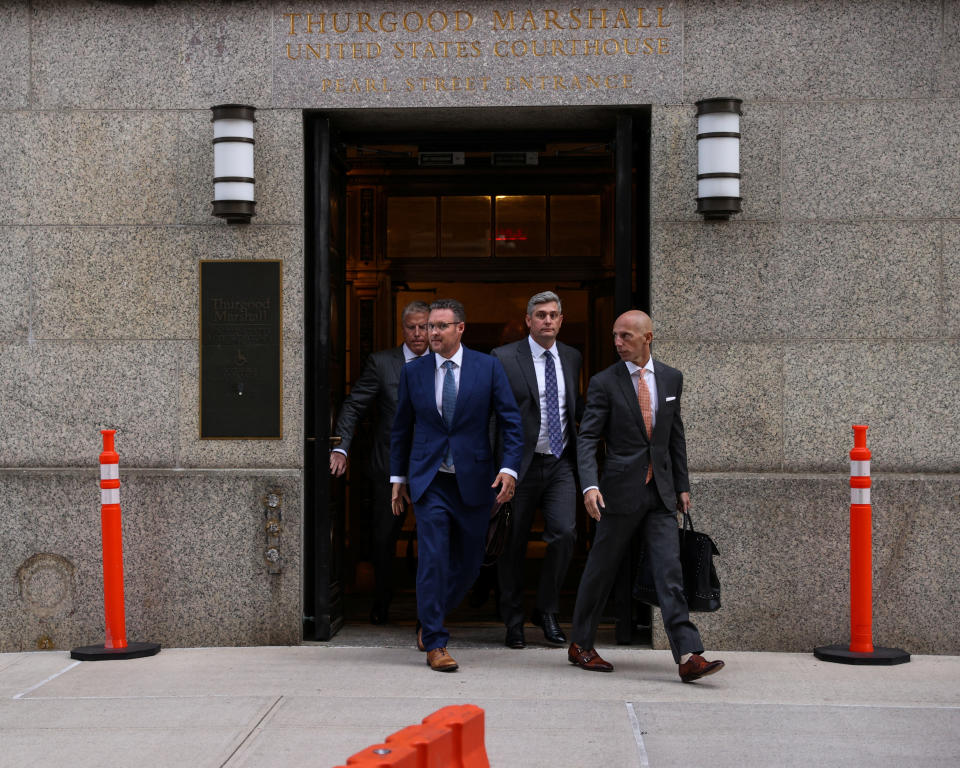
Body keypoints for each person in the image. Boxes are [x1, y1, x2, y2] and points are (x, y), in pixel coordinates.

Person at [567, 310, 725, 683]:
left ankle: (688, 655)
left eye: (626, 336)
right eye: (615, 336)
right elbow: (588, 438)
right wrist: (590, 485)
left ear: (647, 337)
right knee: (601, 569)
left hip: (661, 493)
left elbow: (675, 435)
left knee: (670, 572)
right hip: (618, 493)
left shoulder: (671, 377)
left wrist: (682, 486)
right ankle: (580, 644)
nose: (618, 343)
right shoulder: (604, 382)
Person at [390, 298, 524, 672]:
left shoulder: (488, 367)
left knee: (468, 566)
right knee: (432, 557)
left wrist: (510, 469)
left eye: (440, 326)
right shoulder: (414, 371)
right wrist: (398, 478)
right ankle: (436, 640)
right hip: (430, 480)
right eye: (430, 326)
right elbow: (401, 428)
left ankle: (428, 614)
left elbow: (512, 423)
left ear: (460, 328)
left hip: (474, 481)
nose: (431, 332)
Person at [491, 291, 582, 649]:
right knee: (510, 545)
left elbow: (575, 410)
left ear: (561, 320)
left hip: (559, 463)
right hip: (518, 467)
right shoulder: (503, 357)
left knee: (564, 534)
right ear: (528, 321)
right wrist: (500, 467)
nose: (547, 320)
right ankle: (513, 621)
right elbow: (492, 416)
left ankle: (545, 610)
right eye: (540, 315)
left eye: (553, 315)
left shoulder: (572, 357)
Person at [330, 301, 430, 625]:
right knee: (384, 539)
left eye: (423, 327)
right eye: (411, 327)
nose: (417, 333)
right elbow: (354, 406)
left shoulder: (446, 362)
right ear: (402, 329)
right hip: (390, 467)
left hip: (434, 467)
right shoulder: (382, 363)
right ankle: (382, 601)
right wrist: (341, 447)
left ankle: (430, 611)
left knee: (437, 538)